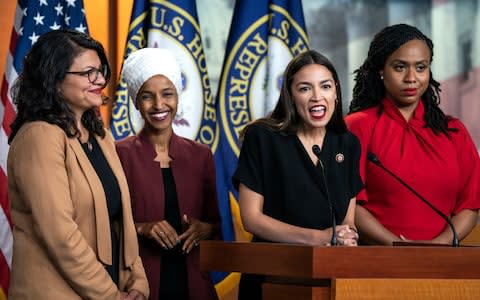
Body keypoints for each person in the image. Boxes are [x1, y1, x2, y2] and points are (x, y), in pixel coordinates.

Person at [7, 30, 149, 299]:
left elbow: (120, 222)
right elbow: (61, 236)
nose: (100, 80)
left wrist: (137, 283)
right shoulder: (40, 136)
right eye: (88, 73)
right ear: (55, 78)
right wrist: (112, 296)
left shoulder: (100, 136)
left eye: (101, 70)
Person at [233, 50, 362, 299]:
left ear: (335, 90)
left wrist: (347, 237)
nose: (317, 97)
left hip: (329, 278)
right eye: (304, 88)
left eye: (325, 86)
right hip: (272, 273)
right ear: (290, 95)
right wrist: (320, 238)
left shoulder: (347, 144)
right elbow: (252, 219)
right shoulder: (262, 138)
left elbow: (347, 221)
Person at [345, 24, 480, 246]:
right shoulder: (356, 127)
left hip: (443, 262)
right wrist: (397, 248)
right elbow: (350, 205)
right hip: (374, 261)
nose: (411, 77)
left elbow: (470, 205)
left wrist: (440, 245)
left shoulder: (454, 132)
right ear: (381, 70)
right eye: (399, 67)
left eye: (420, 67)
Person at [116, 47, 222, 300]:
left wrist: (203, 229)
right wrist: (142, 228)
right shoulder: (118, 154)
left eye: (167, 94)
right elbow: (105, 226)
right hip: (140, 286)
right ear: (135, 102)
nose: (159, 105)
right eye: (147, 96)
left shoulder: (201, 155)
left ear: (177, 97)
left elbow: (216, 224)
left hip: (194, 284)